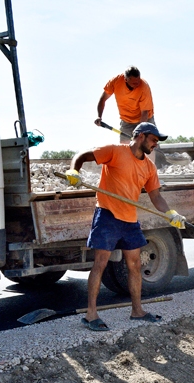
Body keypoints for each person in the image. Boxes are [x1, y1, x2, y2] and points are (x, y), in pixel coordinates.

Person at [65, 123, 186, 331]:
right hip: (107, 215)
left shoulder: (149, 167)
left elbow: (156, 196)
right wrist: (74, 170)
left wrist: (170, 213)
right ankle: (91, 314)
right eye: (154, 140)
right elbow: (83, 155)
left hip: (130, 220)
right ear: (140, 136)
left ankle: (137, 311)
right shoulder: (114, 151)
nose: (156, 145)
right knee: (100, 264)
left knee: (135, 265)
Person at [94, 66, 167, 167]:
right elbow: (103, 99)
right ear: (125, 79)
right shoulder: (115, 81)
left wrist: (141, 133)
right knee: (124, 145)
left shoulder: (144, 86)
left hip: (145, 119)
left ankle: (150, 170)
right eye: (134, 83)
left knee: (148, 143)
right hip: (126, 120)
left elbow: (144, 113)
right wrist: (99, 116)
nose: (137, 85)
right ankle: (127, 170)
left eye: (138, 81)